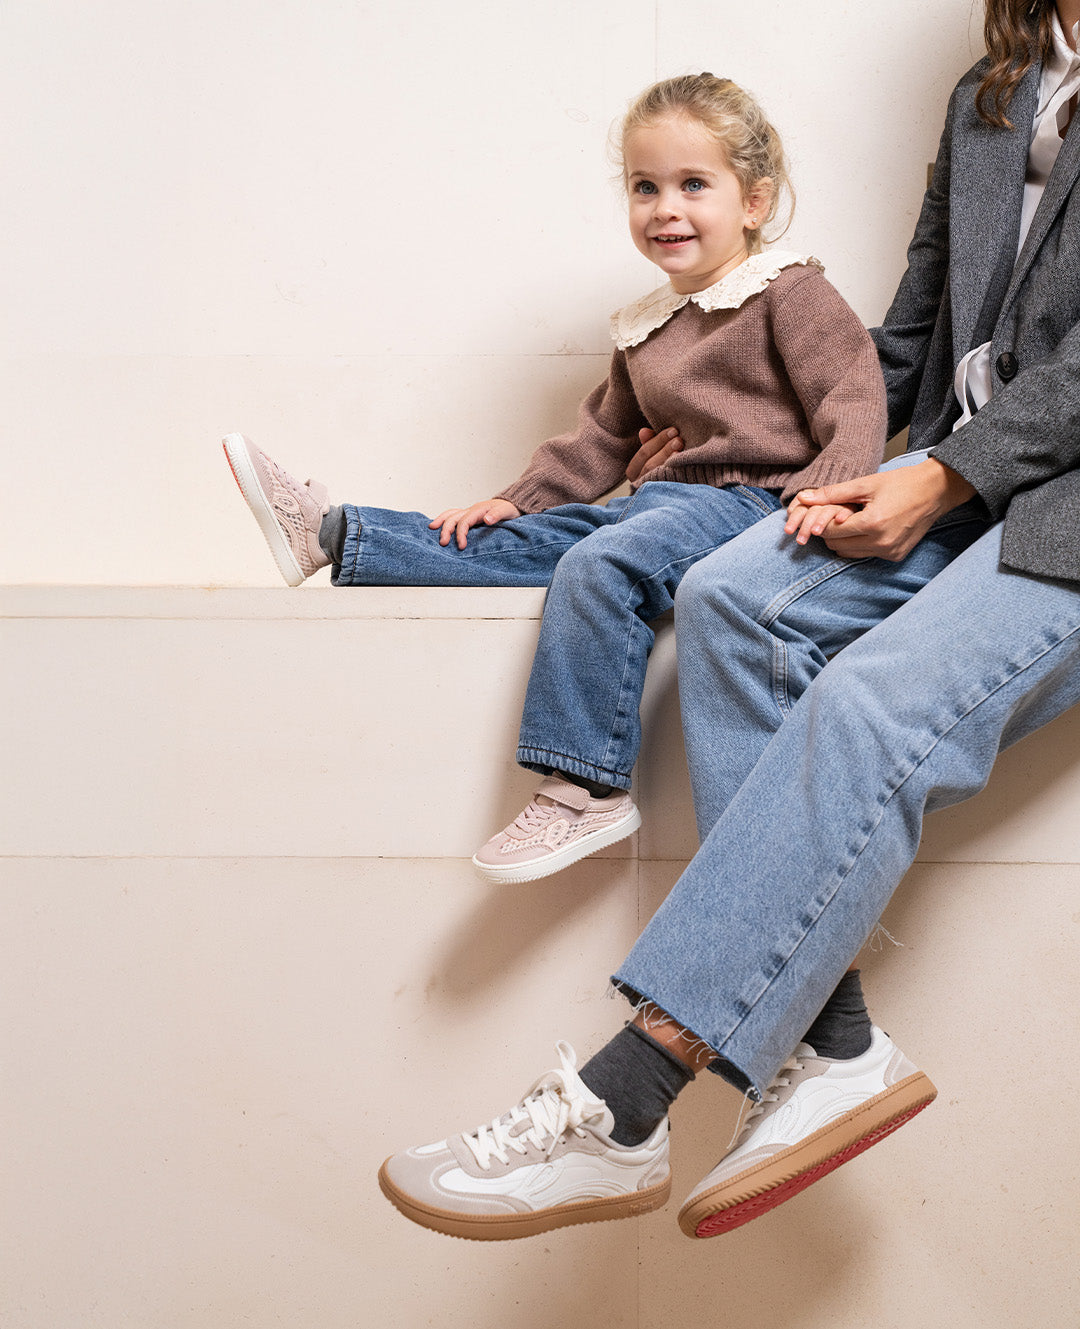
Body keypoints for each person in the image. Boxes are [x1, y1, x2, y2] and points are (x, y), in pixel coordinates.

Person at [378, 0, 1080, 1242]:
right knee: (726, 598)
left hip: (1054, 510)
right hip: (953, 472)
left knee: (869, 703)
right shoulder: (995, 90)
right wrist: (746, 438)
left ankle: (624, 1106)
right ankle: (833, 1042)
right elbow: (914, 327)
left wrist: (948, 475)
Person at [223, 73, 885, 885]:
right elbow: (601, 437)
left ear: (753, 201)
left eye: (693, 185)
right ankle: (333, 534)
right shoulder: (648, 325)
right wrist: (518, 500)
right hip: (664, 503)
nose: (665, 208)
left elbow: (853, 390)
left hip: (751, 505)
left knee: (600, 564)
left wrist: (832, 483)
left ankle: (584, 789)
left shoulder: (789, 291)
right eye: (645, 187)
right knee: (525, 540)